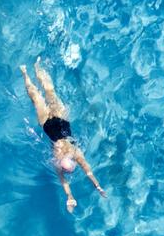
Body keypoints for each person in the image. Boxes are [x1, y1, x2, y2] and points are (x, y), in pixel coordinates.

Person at [21, 60, 106, 213]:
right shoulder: (77, 153)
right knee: (50, 91)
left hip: (47, 125)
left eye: (62, 162)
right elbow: (88, 172)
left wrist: (69, 196)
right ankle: (37, 67)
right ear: (73, 160)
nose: (61, 158)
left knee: (36, 97)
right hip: (62, 120)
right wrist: (98, 186)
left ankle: (25, 73)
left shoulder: (57, 163)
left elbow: (63, 181)